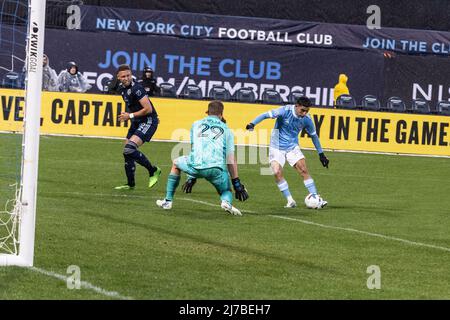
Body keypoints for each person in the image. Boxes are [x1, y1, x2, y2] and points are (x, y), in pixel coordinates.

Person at [156, 100, 249, 216]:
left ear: (207, 112)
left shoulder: (196, 124)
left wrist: (191, 177)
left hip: (195, 166)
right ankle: (226, 202)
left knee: (176, 163)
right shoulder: (227, 130)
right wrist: (236, 183)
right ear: (221, 114)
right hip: (216, 169)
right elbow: (230, 159)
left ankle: (168, 201)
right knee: (226, 190)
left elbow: (194, 148)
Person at [245, 96, 329, 209]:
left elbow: (314, 136)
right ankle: (290, 200)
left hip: (292, 147)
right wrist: (252, 124)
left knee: (303, 170)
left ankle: (315, 197)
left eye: (306, 111)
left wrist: (321, 154)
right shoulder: (284, 111)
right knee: (276, 172)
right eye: (302, 110)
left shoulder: (307, 119)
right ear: (297, 106)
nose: (304, 113)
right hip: (276, 147)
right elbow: (265, 115)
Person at [114, 64, 161, 190]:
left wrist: (129, 116)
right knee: (127, 152)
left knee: (129, 149)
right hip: (137, 122)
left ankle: (153, 171)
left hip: (148, 121)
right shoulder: (121, 88)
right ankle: (130, 184)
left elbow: (148, 109)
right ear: (118, 77)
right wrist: (130, 116)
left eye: (128, 75)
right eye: (123, 76)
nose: (126, 78)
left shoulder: (137, 89)